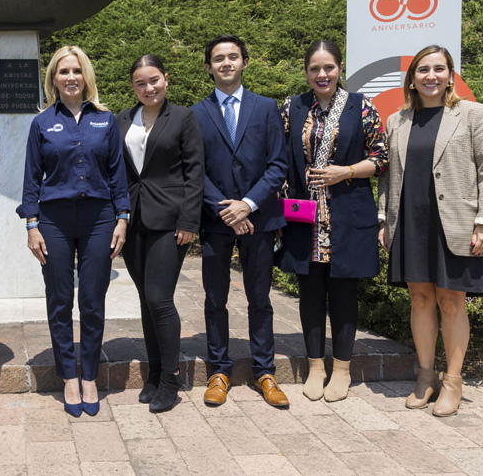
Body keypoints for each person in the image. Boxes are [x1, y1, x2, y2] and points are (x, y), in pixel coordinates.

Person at [378, 45, 483, 417]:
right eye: (422, 70)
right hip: (411, 222)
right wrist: (384, 220)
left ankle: (453, 381)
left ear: (450, 74)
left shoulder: (473, 114)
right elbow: (387, 177)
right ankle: (426, 376)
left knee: (451, 301)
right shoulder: (396, 121)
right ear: (411, 79)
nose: (430, 76)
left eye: (439, 69)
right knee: (419, 299)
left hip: (456, 223)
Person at [18, 45, 130, 417]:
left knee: (93, 299)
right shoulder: (42, 123)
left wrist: (122, 218)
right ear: (53, 78)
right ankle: (69, 374)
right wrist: (32, 224)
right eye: (63, 71)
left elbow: (118, 174)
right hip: (54, 221)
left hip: (99, 218)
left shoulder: (105, 120)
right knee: (60, 298)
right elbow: (31, 177)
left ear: (87, 77)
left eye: (77, 71)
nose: (70, 78)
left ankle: (89, 375)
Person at [278, 40, 387, 402]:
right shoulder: (292, 107)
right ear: (306, 71)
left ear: (340, 68)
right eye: (314, 68)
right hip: (305, 218)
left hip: (346, 215)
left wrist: (347, 171)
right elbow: (279, 158)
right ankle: (315, 367)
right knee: (309, 293)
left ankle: (341, 370)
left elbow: (382, 157)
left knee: (343, 294)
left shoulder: (361, 107)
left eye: (328, 67)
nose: (321, 74)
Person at [190, 35, 289, 408]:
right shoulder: (195, 114)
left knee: (260, 298)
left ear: (245, 62)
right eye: (218, 58)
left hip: (259, 218)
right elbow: (194, 169)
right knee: (215, 299)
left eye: (233, 57)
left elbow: (278, 165)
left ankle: (265, 371)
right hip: (216, 222)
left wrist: (246, 205)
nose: (226, 63)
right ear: (208, 67)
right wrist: (224, 209)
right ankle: (219, 370)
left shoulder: (266, 108)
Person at [117, 54, 204, 413]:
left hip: (170, 222)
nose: (148, 88)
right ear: (134, 86)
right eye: (140, 83)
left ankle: (171, 378)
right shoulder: (122, 119)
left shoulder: (183, 117)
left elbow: (195, 171)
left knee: (159, 298)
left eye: (153, 80)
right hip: (133, 220)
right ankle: (154, 374)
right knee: (144, 299)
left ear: (165, 79)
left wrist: (188, 221)